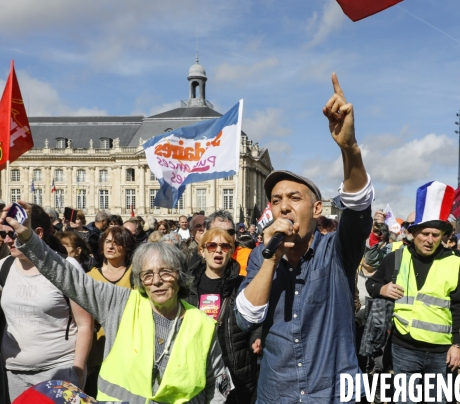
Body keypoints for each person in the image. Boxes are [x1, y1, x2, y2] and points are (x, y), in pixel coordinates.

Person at [5, 201, 232, 403]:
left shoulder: (200, 323)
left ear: (180, 276)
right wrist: (28, 238)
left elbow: (216, 391)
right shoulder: (119, 303)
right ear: (140, 280)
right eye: (148, 275)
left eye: (166, 273)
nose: (157, 282)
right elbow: (67, 276)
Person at [235, 73, 372, 402]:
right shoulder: (262, 255)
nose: (283, 207)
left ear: (317, 208)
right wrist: (271, 258)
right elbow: (245, 317)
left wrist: (349, 148)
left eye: (294, 198)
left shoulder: (336, 252)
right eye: (277, 200)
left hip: (333, 395)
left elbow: (358, 205)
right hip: (278, 394)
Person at [365, 181, 460, 404]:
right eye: (425, 233)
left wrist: (457, 344)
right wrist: (382, 288)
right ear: (413, 233)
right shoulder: (396, 257)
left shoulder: (454, 262)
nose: (430, 240)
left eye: (436, 234)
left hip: (442, 352)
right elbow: (370, 285)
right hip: (405, 348)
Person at [0, 205, 93, 401]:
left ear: (38, 233)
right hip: (14, 372)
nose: (7, 240)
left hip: (59, 371)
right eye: (3, 233)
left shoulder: (66, 267)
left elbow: (85, 324)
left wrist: (78, 373)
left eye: (13, 234)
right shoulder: (4, 266)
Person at [187, 228, 260, 404]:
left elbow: (257, 318)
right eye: (212, 246)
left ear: (232, 252)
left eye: (225, 246)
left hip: (236, 371)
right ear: (202, 251)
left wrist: (257, 336)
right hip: (196, 370)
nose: (218, 250)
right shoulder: (187, 286)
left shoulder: (243, 284)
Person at [84, 226, 136, 396]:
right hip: (97, 350)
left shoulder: (135, 275)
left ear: (127, 247)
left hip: (127, 350)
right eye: (107, 242)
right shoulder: (90, 276)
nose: (111, 246)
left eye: (117, 243)